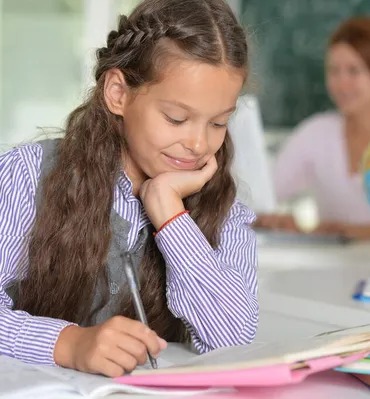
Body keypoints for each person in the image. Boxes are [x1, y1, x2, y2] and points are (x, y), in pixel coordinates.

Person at [0, 0, 258, 377]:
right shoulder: (28, 175)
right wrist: (68, 344)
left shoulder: (224, 208)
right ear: (118, 93)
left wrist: (171, 216)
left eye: (218, 123)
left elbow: (234, 339)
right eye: (177, 118)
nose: (199, 144)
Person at [254, 17, 370, 241]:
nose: (341, 84)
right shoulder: (317, 134)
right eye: (333, 71)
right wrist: (277, 221)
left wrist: (341, 231)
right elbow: (258, 198)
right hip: (334, 273)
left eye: (353, 71)